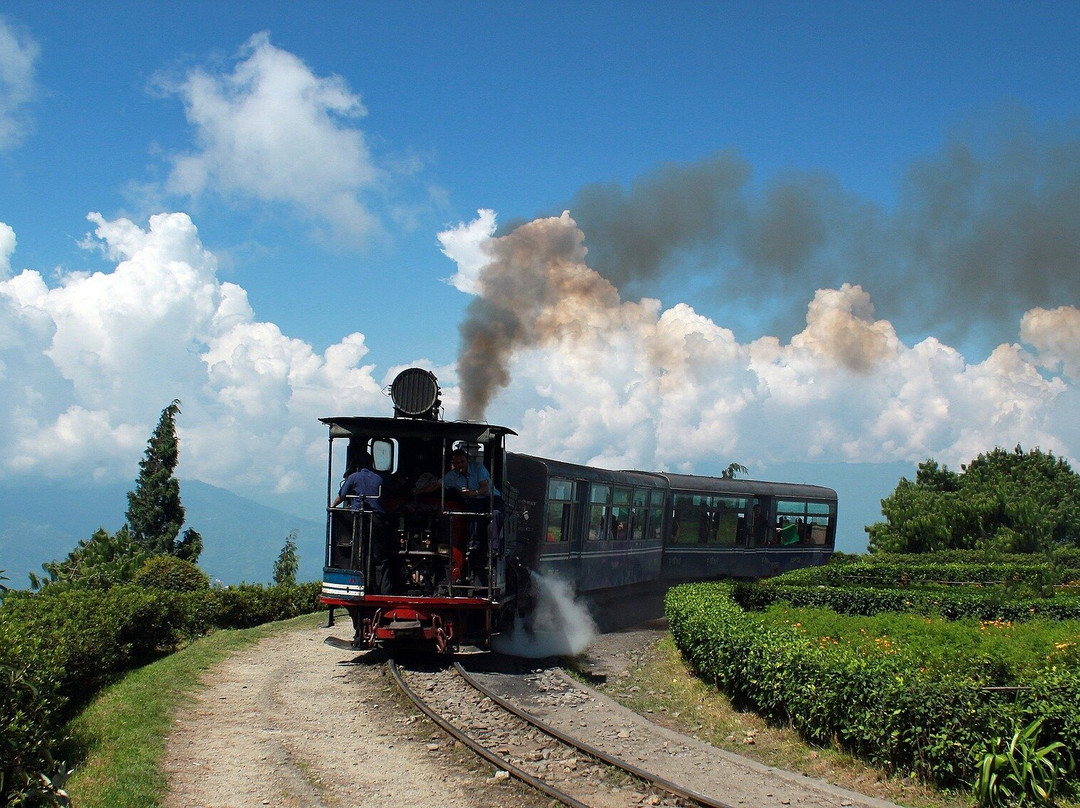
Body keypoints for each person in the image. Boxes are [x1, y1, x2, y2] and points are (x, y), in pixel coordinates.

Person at [332, 451, 394, 594]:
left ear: (357, 465)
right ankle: (384, 590)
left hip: (360, 519)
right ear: (372, 463)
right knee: (380, 555)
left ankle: (363, 586)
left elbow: (342, 495)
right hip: (377, 519)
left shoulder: (354, 477)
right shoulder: (381, 478)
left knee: (361, 552)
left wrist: (332, 506)